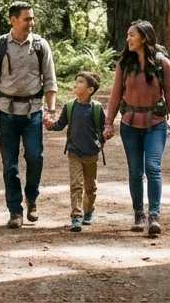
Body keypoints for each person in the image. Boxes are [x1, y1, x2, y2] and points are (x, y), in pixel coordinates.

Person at [0, 2, 58, 229]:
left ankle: (31, 197)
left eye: (32, 18)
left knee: (35, 157)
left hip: (33, 111)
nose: (31, 23)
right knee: (10, 165)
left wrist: (51, 111)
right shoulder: (0, 46)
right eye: (26, 19)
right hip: (7, 112)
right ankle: (15, 210)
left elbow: (50, 81)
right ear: (13, 20)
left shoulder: (41, 45)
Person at [104, 20, 170, 237]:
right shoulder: (124, 64)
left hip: (155, 124)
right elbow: (115, 94)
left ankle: (154, 215)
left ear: (143, 38)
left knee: (153, 168)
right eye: (127, 35)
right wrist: (108, 123)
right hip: (129, 125)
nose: (127, 39)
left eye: (131, 35)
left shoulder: (162, 63)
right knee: (135, 171)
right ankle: (139, 213)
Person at [47, 71, 108, 232]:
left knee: (90, 187)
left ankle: (89, 210)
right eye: (76, 80)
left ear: (90, 90)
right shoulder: (69, 106)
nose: (76, 83)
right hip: (74, 152)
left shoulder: (96, 108)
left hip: (91, 153)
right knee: (76, 185)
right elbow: (60, 125)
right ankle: (76, 216)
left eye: (80, 82)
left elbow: (103, 129)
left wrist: (107, 133)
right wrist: (50, 125)